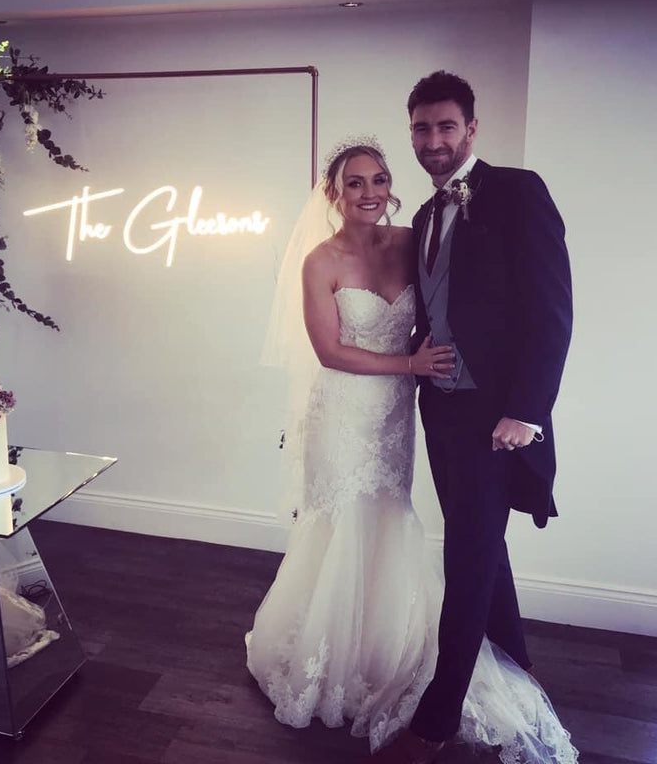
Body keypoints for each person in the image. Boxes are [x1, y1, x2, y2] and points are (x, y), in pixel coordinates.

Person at [246, 138, 577, 763]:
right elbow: (329, 351)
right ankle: (334, 655)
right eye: (354, 182)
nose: (369, 192)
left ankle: (408, 652)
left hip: (403, 415)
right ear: (333, 192)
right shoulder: (320, 260)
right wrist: (411, 364)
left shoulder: (415, 235)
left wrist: (515, 398)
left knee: (401, 523)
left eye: (378, 179)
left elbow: (477, 302)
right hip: (344, 412)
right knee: (345, 524)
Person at [380, 71, 574, 764]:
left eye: (445, 126)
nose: (432, 140)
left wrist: (526, 410)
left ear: (471, 128)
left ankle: (435, 722)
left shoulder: (518, 192)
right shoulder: (424, 215)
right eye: (421, 128)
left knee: (465, 556)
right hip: (443, 410)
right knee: (482, 543)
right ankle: (518, 659)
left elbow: (551, 309)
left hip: (497, 418)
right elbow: (437, 306)